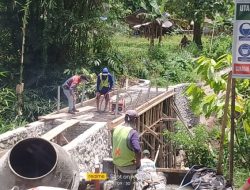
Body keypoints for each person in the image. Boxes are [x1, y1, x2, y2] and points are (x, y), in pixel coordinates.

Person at [112, 110, 141, 190]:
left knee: (121, 183)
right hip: (128, 166)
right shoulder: (132, 132)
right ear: (135, 120)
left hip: (117, 163)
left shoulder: (116, 129)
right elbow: (137, 150)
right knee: (129, 184)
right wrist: (138, 163)